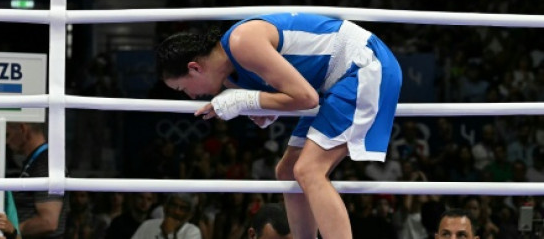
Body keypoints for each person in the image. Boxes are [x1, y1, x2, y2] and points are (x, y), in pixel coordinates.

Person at [156, 13, 403, 239]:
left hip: (363, 65)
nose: (189, 96)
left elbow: (306, 98)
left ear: (194, 68)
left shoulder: (242, 41)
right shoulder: (231, 79)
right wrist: (265, 110)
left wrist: (246, 100)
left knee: (309, 170)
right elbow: (291, 94)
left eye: (182, 88)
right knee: (288, 171)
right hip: (331, 84)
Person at [6, 122, 66, 238]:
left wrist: (12, 230)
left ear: (23, 129)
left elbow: (48, 222)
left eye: (8, 135)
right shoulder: (38, 161)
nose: (7, 142)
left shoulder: (46, 163)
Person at [130, 193, 201, 239]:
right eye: (173, 206)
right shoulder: (147, 225)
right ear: (165, 208)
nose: (176, 212)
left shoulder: (192, 232)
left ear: (190, 215)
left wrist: (169, 234)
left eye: (182, 208)